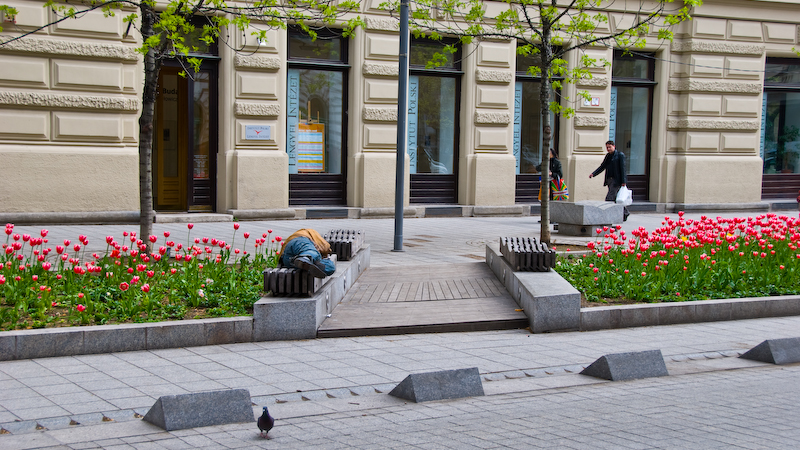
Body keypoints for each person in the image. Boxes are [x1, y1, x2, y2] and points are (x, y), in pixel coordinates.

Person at [589, 140, 630, 221]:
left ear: (614, 146)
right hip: (609, 180)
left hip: (616, 181)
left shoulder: (619, 155)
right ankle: (625, 213)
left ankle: (606, 215)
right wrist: (593, 174)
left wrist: (623, 181)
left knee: (609, 198)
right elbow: (602, 166)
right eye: (607, 147)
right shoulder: (608, 156)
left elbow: (623, 168)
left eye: (610, 147)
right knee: (616, 198)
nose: (608, 149)